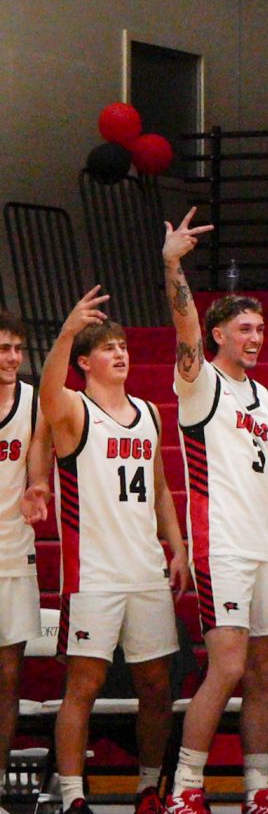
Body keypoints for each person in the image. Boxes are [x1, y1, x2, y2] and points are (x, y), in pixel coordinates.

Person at [161, 210, 268, 814]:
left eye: (260, 328)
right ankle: (186, 788)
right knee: (225, 667)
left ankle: (258, 790)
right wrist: (173, 264)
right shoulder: (198, 383)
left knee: (265, 677)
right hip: (220, 542)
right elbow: (184, 323)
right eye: (244, 327)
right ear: (219, 334)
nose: (255, 337)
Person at [36, 288, 189, 814]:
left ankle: (149, 786)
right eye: (107, 348)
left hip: (145, 569)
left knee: (155, 683)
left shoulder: (149, 413)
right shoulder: (72, 410)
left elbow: (163, 487)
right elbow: (47, 391)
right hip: (93, 573)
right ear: (84, 362)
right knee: (84, 683)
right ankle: (75, 796)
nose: (121, 353)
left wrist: (177, 547)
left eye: (124, 345)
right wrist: (65, 331)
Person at [0, 311, 51, 814]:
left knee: (8, 679)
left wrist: (38, 488)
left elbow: (38, 463)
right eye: (2, 349)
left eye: (17, 349)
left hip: (13, 553)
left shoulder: (32, 401)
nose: (13, 358)